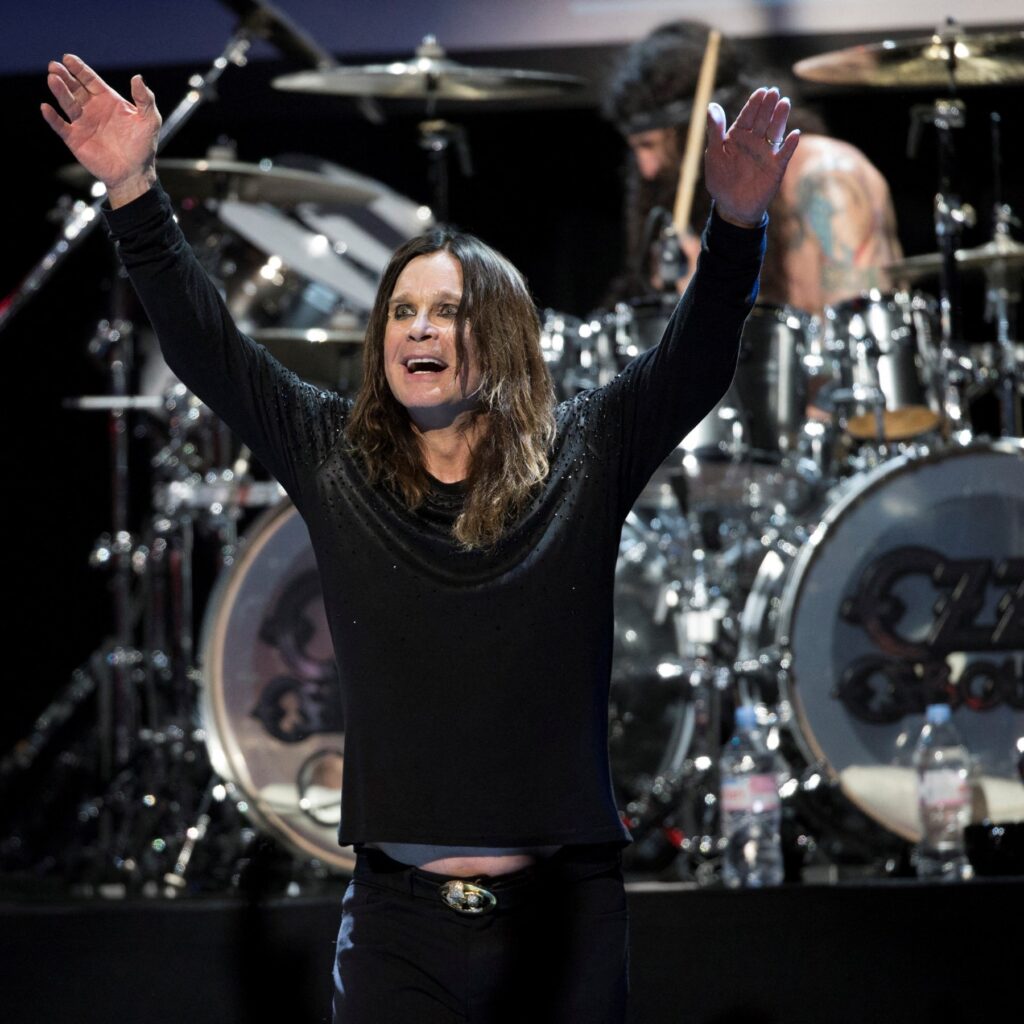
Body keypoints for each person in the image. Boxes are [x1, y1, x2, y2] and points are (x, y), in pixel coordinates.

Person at [43, 52, 797, 1023]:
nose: (417, 327)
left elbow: (694, 362)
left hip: (561, 918)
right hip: (398, 926)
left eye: (446, 309)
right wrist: (133, 188)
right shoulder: (331, 454)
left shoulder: (587, 450)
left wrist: (736, 226)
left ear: (504, 336)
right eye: (401, 309)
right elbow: (208, 348)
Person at [604, 20, 902, 316]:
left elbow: (859, 342)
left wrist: (714, 290)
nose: (647, 169)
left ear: (698, 129)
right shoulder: (694, 212)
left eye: (650, 145)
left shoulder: (828, 176)